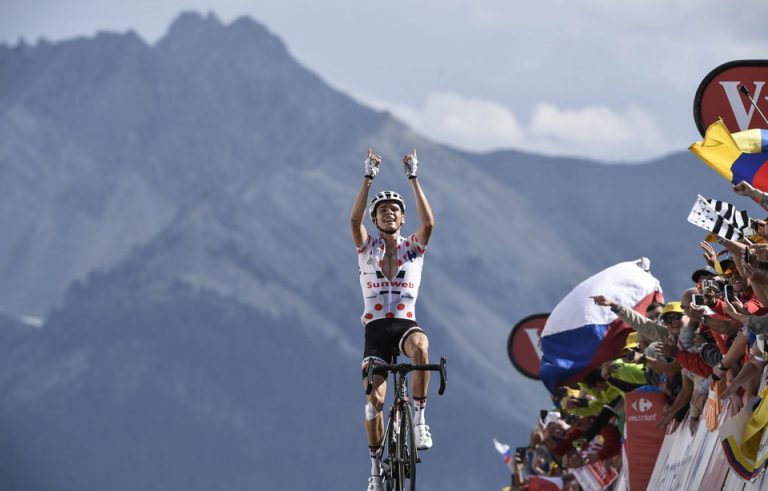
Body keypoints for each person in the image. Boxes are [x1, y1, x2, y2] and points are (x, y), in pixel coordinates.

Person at [350, 147, 435, 491]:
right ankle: (374, 468)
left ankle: (419, 420)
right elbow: (353, 221)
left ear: (402, 219)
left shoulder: (412, 248)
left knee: (421, 348)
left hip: (403, 323)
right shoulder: (366, 248)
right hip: (375, 331)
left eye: (395, 211)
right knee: (375, 402)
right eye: (383, 210)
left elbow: (428, 223)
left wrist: (414, 178)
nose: (389, 214)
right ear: (376, 219)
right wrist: (367, 177)